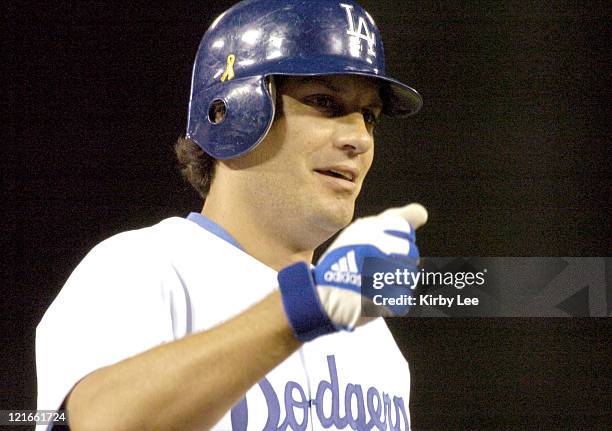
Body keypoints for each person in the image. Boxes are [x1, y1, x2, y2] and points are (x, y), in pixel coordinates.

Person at [36, 0, 427, 429]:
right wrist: (301, 307)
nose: (359, 138)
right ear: (231, 112)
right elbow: (93, 420)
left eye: (369, 117)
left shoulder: (376, 343)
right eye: (325, 102)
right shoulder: (143, 268)